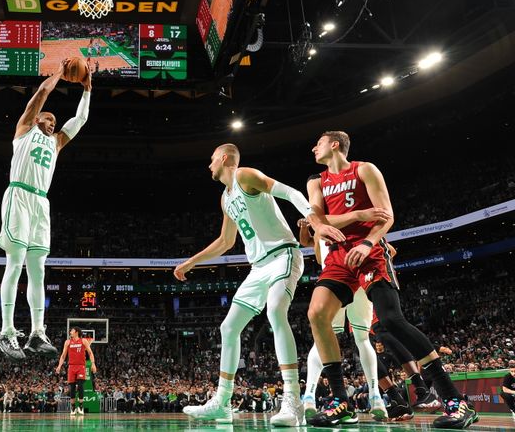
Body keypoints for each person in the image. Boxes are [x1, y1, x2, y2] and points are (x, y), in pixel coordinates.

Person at [306, 131, 477, 428]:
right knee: (316, 314)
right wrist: (358, 214)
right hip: (338, 255)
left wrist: (368, 242)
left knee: (391, 321)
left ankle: (454, 400)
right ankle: (340, 401)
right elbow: (317, 221)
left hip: (369, 251)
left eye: (318, 143)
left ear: (334, 144)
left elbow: (386, 216)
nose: (313, 148)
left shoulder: (365, 169)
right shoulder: (316, 182)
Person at [173, 143, 344, 425]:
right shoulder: (225, 197)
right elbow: (226, 242)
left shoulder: (245, 175)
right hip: (258, 267)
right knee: (228, 327)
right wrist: (191, 262)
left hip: (283, 255)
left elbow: (291, 192)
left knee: (276, 310)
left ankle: (293, 401)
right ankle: (222, 401)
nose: (209, 165)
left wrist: (317, 222)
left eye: (212, 159)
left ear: (225, 158)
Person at [0, 60, 92, 360]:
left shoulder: (57, 143)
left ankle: (37, 332)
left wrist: (87, 89)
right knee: (15, 263)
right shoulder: (24, 129)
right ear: (36, 119)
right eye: (48, 118)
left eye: (54, 121)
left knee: (38, 271)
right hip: (19, 195)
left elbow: (80, 119)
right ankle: (6, 333)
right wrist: (60, 75)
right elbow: (40, 94)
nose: (52, 122)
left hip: (40, 202)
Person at [296, 193, 389, 422]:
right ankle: (376, 397)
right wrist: (305, 227)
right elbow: (307, 242)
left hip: (340, 275)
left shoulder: (330, 217)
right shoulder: (322, 220)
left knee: (327, 333)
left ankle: (308, 395)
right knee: (360, 338)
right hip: (339, 275)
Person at [55, 326, 96, 416]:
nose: (70, 331)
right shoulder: (67, 342)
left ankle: (81, 406)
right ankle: (73, 407)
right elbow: (63, 355)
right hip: (71, 367)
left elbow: (90, 353)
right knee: (72, 387)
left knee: (80, 385)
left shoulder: (84, 341)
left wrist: (93, 363)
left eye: (72, 330)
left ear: (77, 332)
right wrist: (59, 366)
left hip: (81, 366)